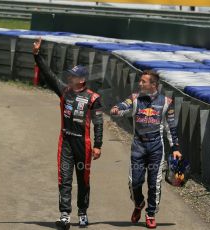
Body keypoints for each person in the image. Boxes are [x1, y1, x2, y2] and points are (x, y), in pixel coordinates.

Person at [32, 38, 103, 230]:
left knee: (83, 179)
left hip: (84, 144)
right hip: (66, 141)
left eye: (73, 76)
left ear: (82, 80)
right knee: (64, 178)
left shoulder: (93, 98)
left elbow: (98, 122)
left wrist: (98, 145)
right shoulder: (64, 91)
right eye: (69, 75)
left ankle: (82, 212)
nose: (69, 78)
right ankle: (64, 215)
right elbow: (48, 75)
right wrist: (37, 55)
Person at [110, 70, 182, 229]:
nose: (140, 84)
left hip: (156, 147)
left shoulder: (166, 102)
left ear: (154, 85)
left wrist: (175, 147)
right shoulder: (135, 98)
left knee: (154, 183)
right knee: (134, 182)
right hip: (138, 146)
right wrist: (116, 108)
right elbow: (124, 105)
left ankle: (151, 213)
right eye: (140, 81)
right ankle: (138, 203)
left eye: (143, 81)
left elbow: (171, 127)